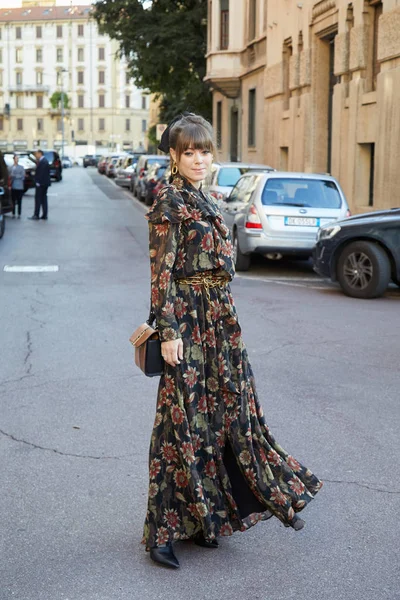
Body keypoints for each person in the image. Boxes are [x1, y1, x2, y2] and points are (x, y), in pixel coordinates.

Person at [142, 113, 322, 569]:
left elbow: (224, 262)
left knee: (226, 415)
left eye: (204, 151)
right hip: (186, 322)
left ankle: (207, 517)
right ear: (173, 155)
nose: (199, 159)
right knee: (182, 425)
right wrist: (168, 333)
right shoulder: (170, 201)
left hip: (220, 321)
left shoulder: (208, 197)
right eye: (189, 152)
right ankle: (164, 531)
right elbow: (160, 275)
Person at [30, 149, 50, 220]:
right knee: (43, 199)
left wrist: (38, 182)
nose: (35, 156)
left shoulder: (43, 162)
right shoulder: (43, 161)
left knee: (38, 199)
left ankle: (36, 215)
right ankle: (44, 215)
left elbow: (41, 174)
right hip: (44, 183)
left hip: (41, 184)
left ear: (40, 154)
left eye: (36, 154)